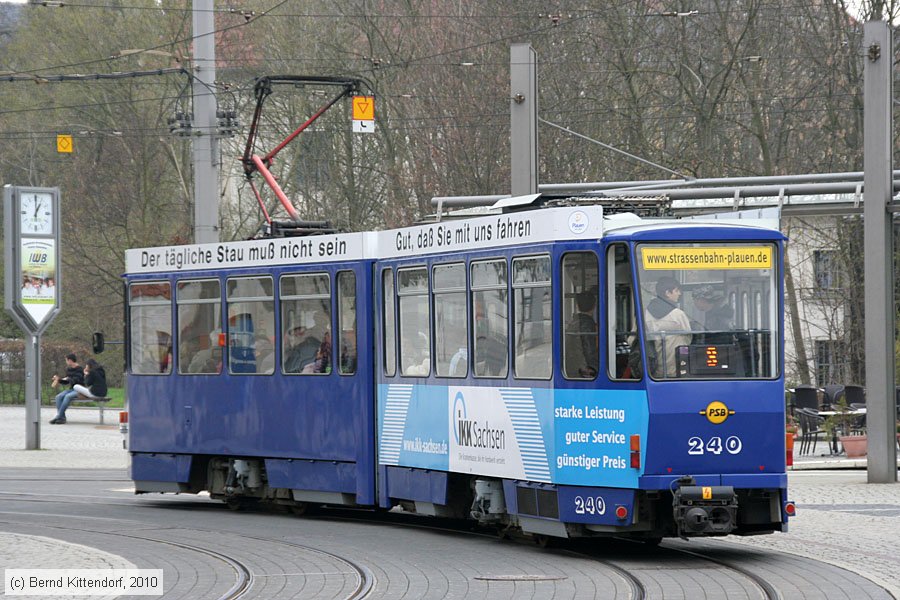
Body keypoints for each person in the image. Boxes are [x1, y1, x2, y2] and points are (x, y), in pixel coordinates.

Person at [644, 276, 691, 377]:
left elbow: (632, 339)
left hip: (651, 368)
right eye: (676, 290)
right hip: (675, 367)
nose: (679, 293)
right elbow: (688, 338)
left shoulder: (644, 314)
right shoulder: (678, 315)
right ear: (667, 293)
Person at [564, 291, 598, 378]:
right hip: (584, 370)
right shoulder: (588, 324)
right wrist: (596, 369)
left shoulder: (573, 322)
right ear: (594, 306)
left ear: (578, 306)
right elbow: (589, 350)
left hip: (572, 366)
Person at [49, 353, 84, 425]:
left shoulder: (80, 369)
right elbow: (66, 381)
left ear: (70, 360)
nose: (66, 362)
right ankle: (62, 418)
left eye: (66, 360)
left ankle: (58, 416)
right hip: (71, 389)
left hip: (79, 389)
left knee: (67, 396)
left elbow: (77, 380)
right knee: (58, 397)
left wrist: (69, 379)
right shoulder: (68, 369)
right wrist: (59, 380)